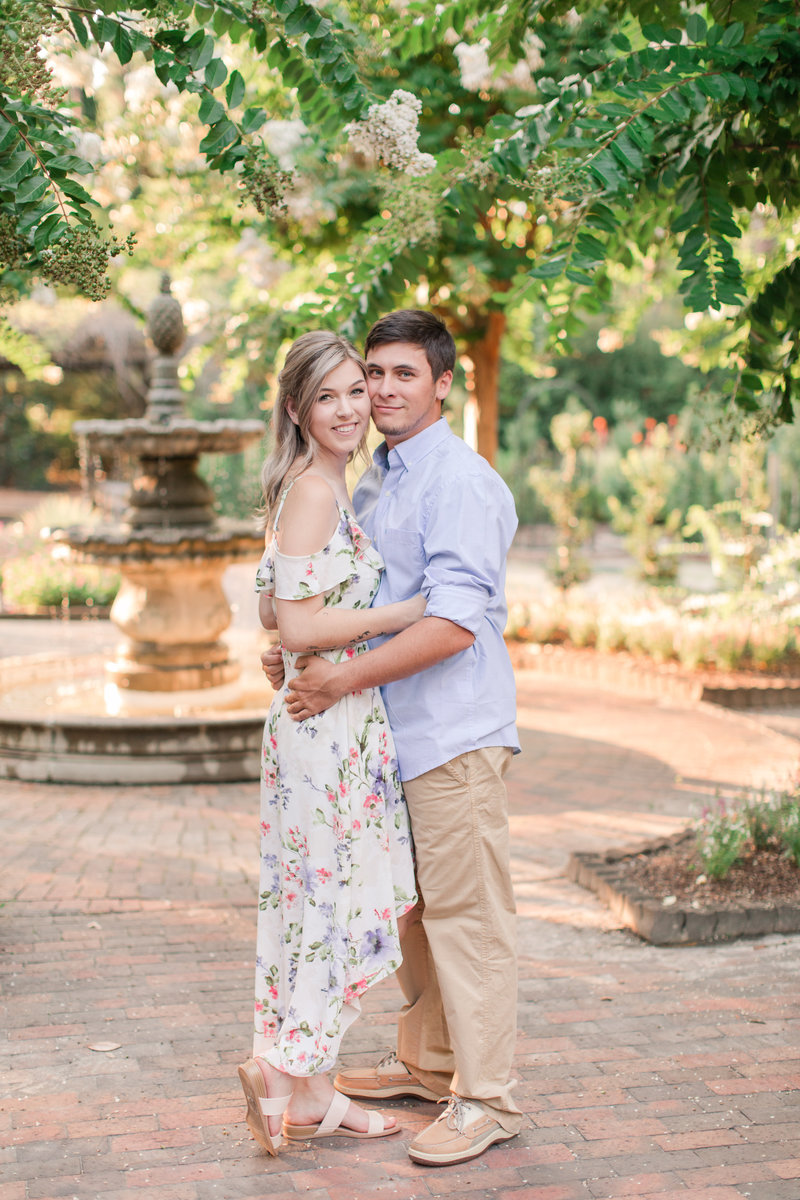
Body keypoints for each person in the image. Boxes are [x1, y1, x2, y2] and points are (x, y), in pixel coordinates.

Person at [273, 309, 524, 1167]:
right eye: (370, 374)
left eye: (401, 374)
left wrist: (338, 676)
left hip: (452, 737)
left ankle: (486, 1099)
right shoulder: (376, 476)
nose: (380, 391)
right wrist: (302, 643)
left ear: (444, 382)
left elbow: (455, 623)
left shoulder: (460, 480)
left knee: (468, 918)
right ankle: (428, 1063)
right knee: (416, 913)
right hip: (387, 742)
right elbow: (347, 599)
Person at [237, 330, 426, 1156]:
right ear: (297, 410)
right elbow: (305, 620)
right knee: (329, 903)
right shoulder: (315, 491)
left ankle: (312, 1092)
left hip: (324, 722)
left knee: (312, 904)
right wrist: (402, 614)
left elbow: (273, 615)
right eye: (330, 396)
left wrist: (286, 644)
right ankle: (283, 1069)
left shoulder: (314, 486)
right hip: (325, 727)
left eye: (358, 390)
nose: (351, 408)